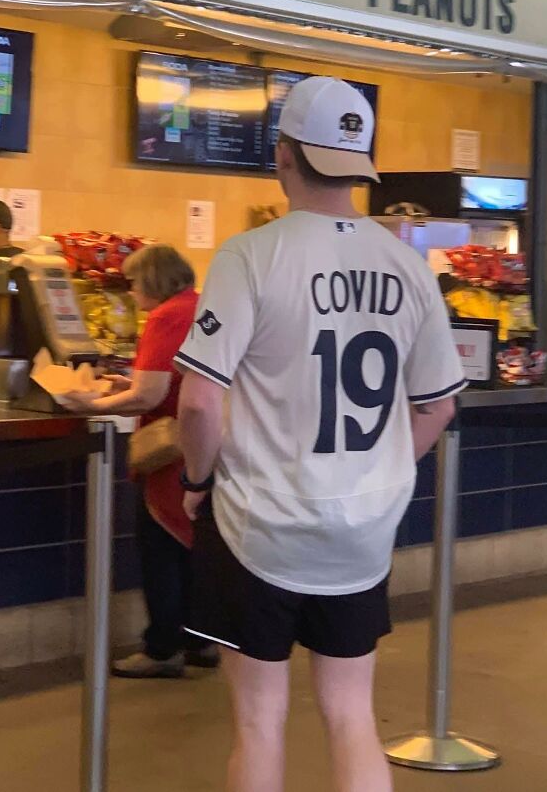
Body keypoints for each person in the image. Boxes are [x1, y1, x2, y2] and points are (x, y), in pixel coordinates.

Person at [173, 77, 467, 792]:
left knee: (259, 718)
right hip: (363, 531)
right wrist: (380, 477)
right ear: (360, 162)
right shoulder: (409, 264)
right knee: (350, 713)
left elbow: (200, 403)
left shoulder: (251, 256)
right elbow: (436, 407)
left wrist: (195, 481)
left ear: (284, 157)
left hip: (257, 524)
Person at [64, 244, 218, 678]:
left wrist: (90, 405)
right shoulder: (200, 305)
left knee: (163, 548)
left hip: (170, 452)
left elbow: (150, 396)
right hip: (205, 446)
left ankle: (162, 649)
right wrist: (127, 381)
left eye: (133, 283)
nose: (130, 292)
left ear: (153, 280)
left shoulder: (167, 316)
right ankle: (201, 642)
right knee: (194, 548)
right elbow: (171, 376)